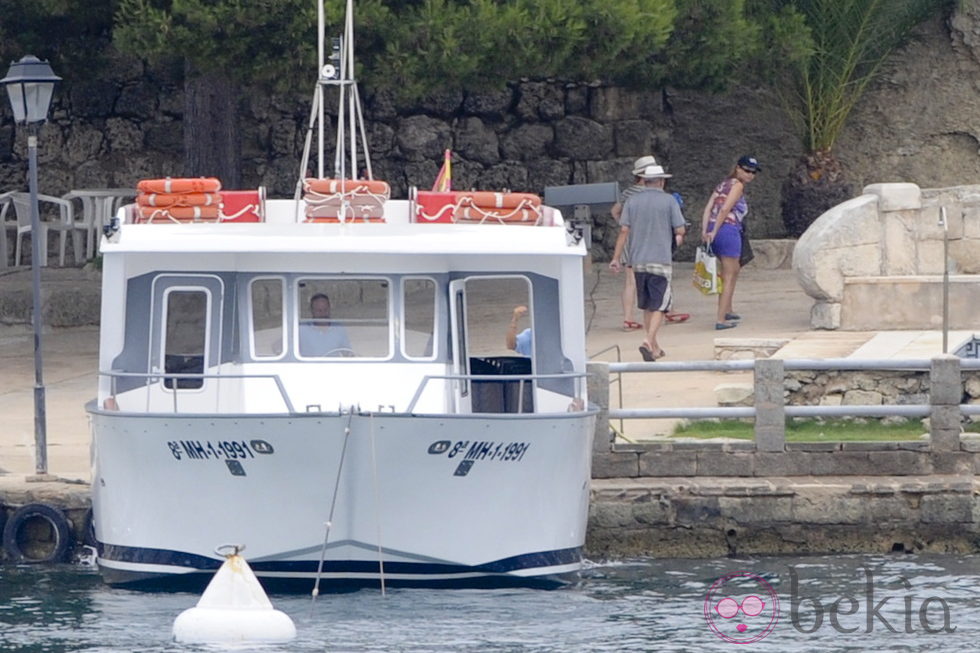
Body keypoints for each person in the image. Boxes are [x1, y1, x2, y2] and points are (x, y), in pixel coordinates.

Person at [609, 163, 686, 362]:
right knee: (661, 305)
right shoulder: (669, 201)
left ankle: (655, 349)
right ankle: (648, 340)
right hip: (660, 259)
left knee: (647, 305)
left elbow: (624, 230)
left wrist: (616, 258)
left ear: (644, 180)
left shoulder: (632, 202)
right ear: (661, 181)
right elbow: (680, 230)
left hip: (638, 260)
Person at [700, 155, 760, 330]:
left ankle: (728, 308)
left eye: (753, 172)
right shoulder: (737, 185)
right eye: (747, 170)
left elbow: (709, 208)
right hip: (727, 230)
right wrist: (715, 230)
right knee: (729, 274)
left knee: (731, 270)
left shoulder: (722, 184)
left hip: (715, 230)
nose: (750, 175)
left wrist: (706, 231)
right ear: (738, 168)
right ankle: (721, 319)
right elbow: (725, 209)